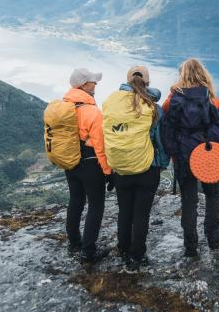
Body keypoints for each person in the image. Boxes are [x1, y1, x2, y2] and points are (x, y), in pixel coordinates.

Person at [161, 58, 219, 258]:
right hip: (209, 158)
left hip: (183, 158)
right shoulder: (214, 101)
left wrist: (174, 155)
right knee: (212, 196)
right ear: (204, 75)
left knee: (189, 201)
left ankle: (190, 246)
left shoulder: (172, 101)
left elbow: (167, 130)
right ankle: (213, 236)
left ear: (181, 76)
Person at [102, 65, 169, 272]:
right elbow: (161, 141)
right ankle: (137, 257)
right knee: (141, 215)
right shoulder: (154, 108)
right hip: (147, 169)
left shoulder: (112, 103)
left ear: (127, 80)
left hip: (121, 169)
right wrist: (163, 163)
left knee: (125, 211)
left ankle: (123, 248)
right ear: (147, 82)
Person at [63, 68, 111, 263]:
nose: (96, 84)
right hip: (91, 164)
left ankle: (74, 243)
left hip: (71, 161)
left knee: (75, 200)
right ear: (83, 85)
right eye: (92, 81)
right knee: (96, 206)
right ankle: (88, 251)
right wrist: (108, 172)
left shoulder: (63, 107)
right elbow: (100, 146)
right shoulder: (91, 111)